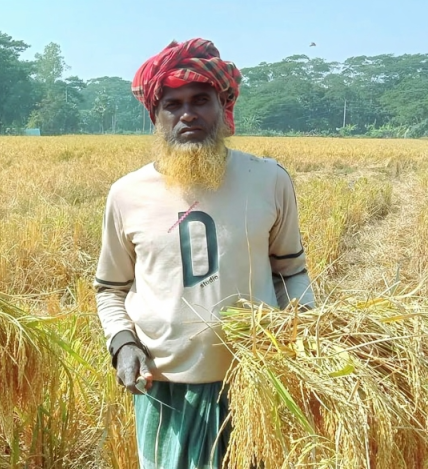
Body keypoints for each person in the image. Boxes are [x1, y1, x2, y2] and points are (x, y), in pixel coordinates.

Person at [93, 38, 314, 469]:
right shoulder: (127, 194)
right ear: (156, 117)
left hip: (253, 382)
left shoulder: (267, 179)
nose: (188, 113)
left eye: (200, 100)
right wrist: (122, 344)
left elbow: (291, 272)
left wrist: (306, 339)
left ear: (223, 106)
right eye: (172, 104)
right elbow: (110, 289)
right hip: (164, 389)